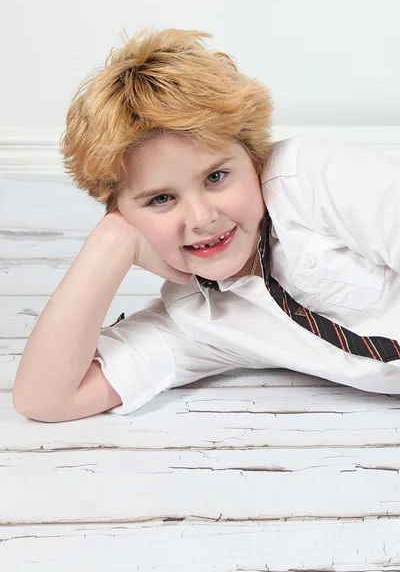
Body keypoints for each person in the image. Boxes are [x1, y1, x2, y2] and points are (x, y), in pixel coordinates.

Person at [12, 28, 400, 423]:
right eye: (160, 199)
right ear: (124, 214)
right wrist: (109, 243)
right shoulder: (198, 318)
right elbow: (45, 399)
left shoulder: (312, 181)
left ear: (253, 157)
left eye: (216, 177)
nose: (202, 218)